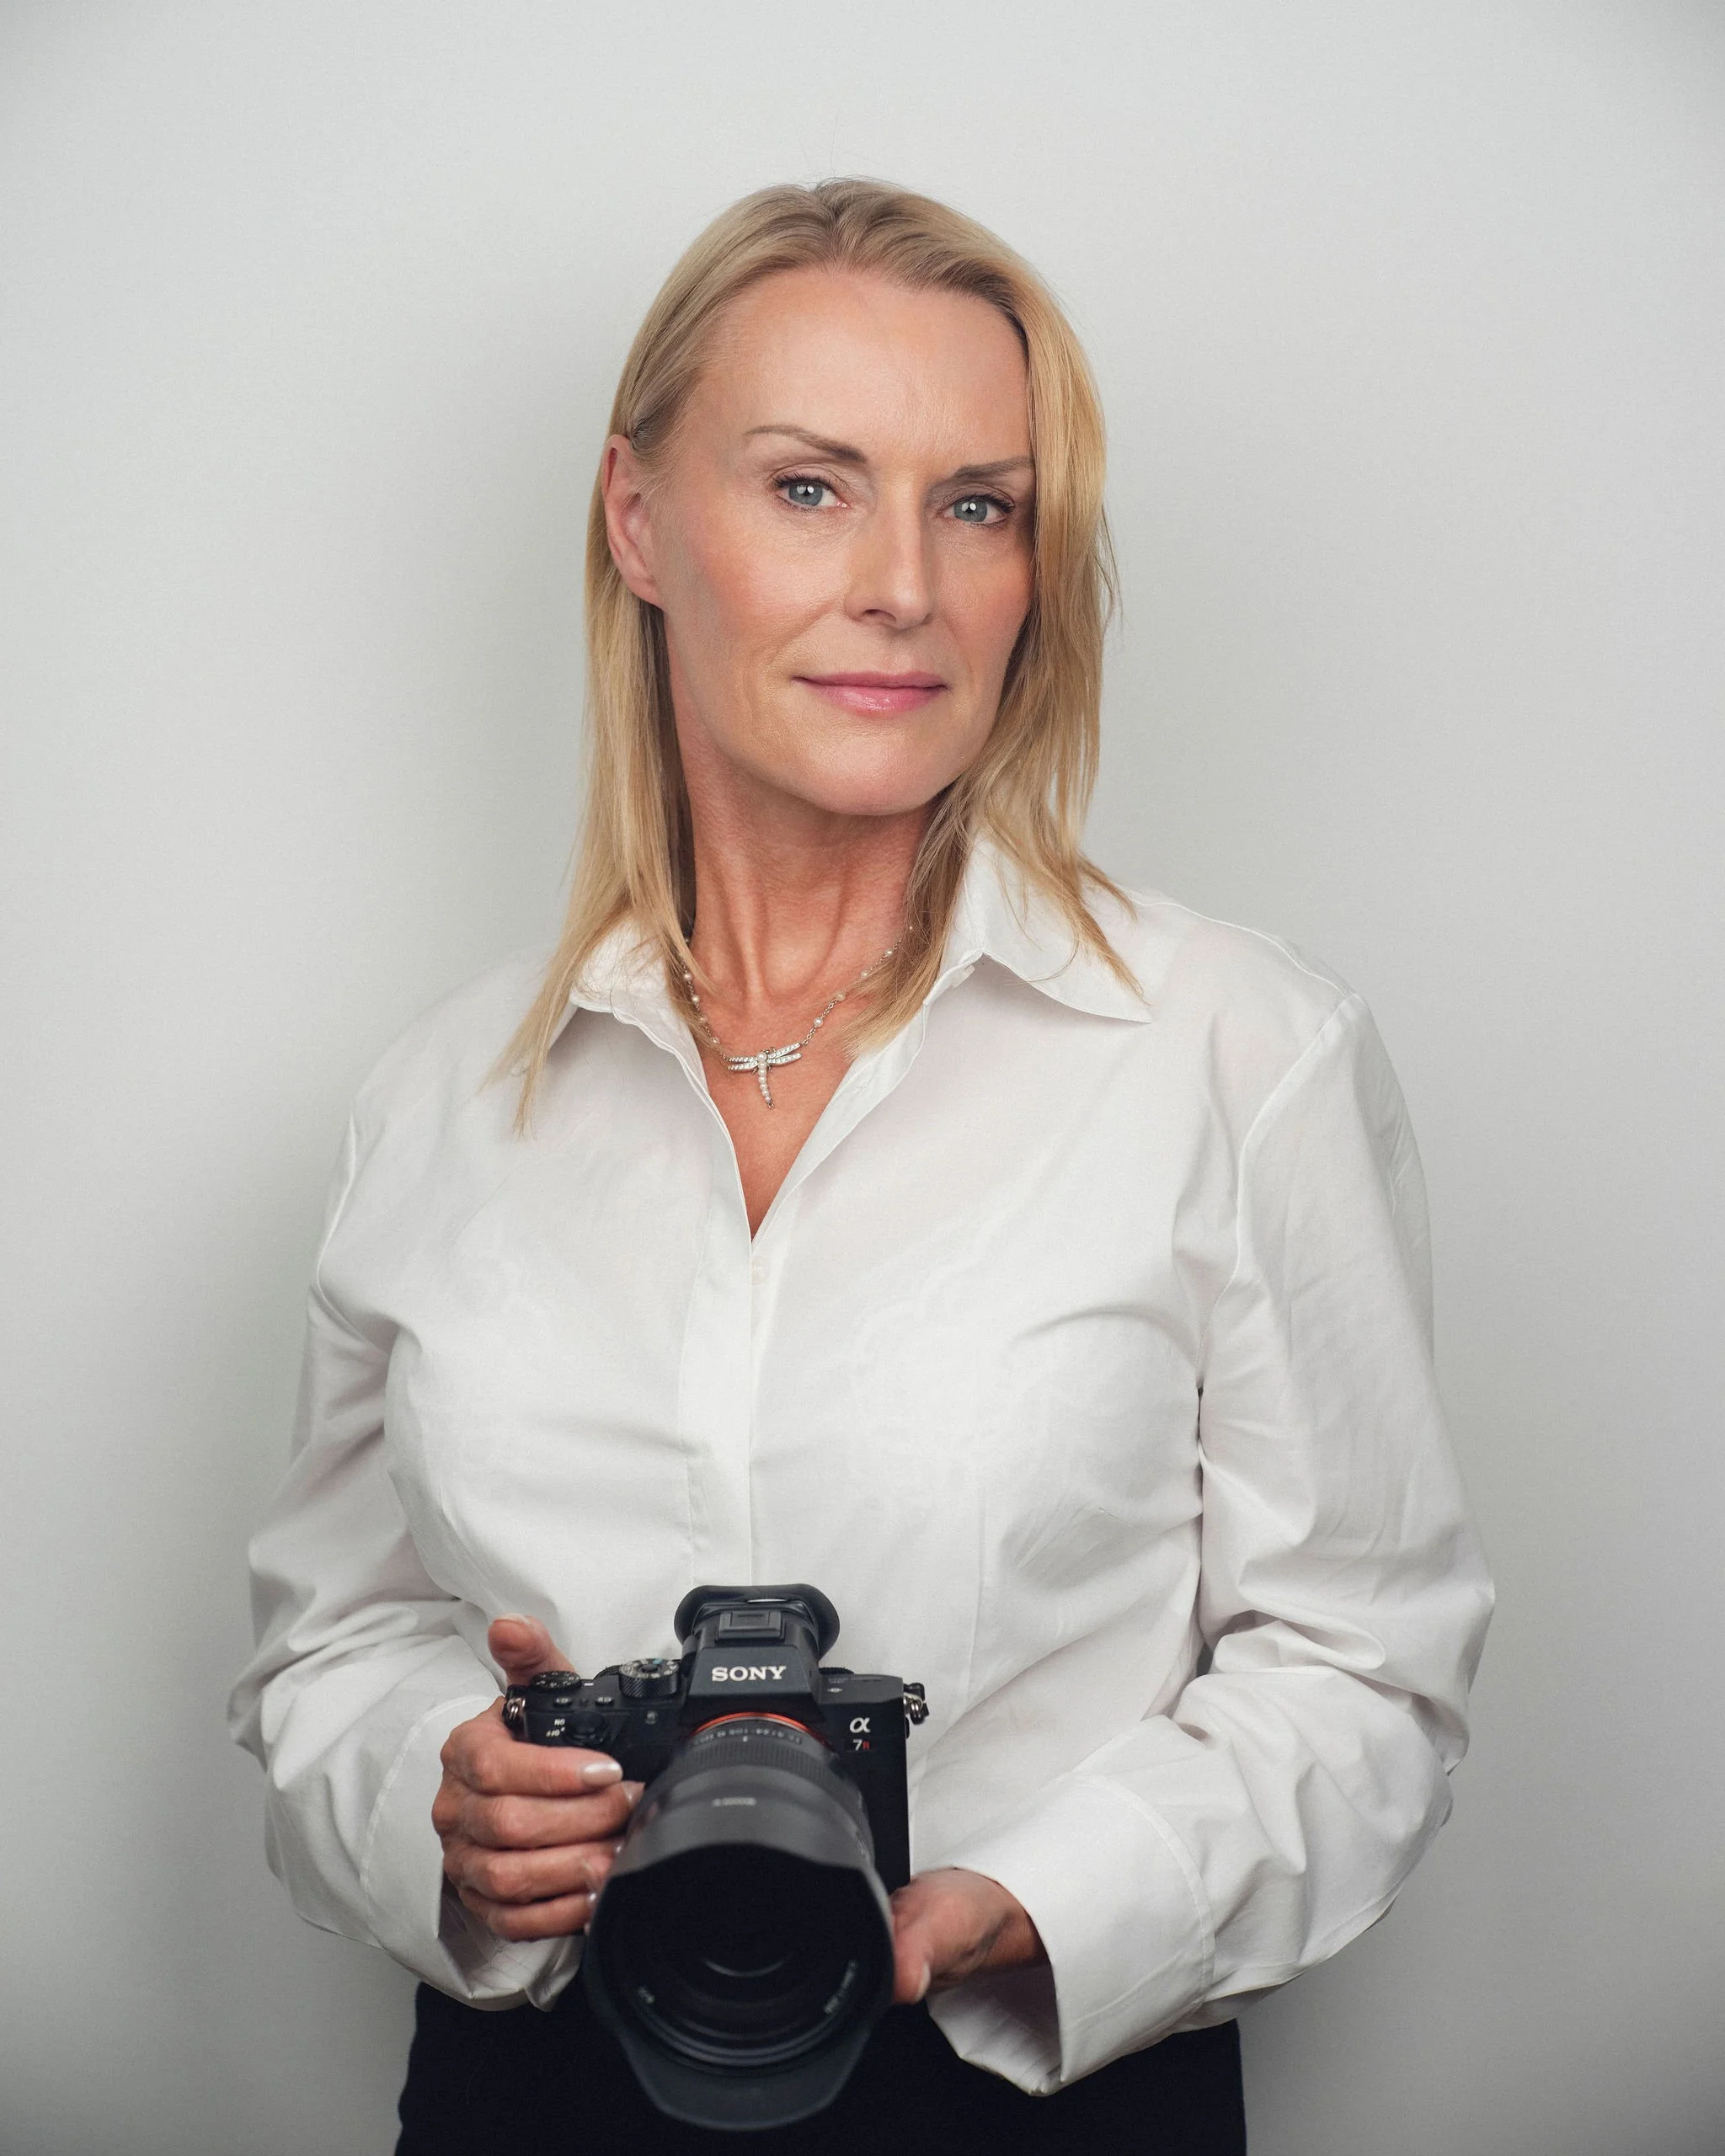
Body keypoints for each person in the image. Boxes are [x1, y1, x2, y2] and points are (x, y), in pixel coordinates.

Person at [229, 179, 1493, 2155]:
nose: (903, 580)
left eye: (976, 502)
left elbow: (1365, 1669)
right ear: (640, 522)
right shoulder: (444, 1100)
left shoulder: (1233, 1049)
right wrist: (440, 1797)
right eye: (811, 485)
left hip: (1035, 2091)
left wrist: (1053, 1904)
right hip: (531, 2096)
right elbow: (333, 1639)